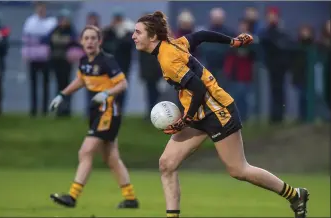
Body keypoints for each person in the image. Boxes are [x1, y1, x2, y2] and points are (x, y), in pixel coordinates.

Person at [132, 11, 309, 218]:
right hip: (199, 113)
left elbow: (198, 89)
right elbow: (201, 35)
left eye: (137, 32)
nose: (133, 36)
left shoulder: (168, 59)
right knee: (167, 164)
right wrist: (233, 41)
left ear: (152, 37)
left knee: (239, 170)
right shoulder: (173, 45)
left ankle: (295, 195)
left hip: (218, 112)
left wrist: (185, 121)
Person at [49, 25, 139, 209]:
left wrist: (106, 94)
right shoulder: (83, 62)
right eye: (86, 38)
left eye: (93, 38)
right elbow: (81, 80)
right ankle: (130, 198)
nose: (89, 41)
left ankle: (72, 196)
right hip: (96, 112)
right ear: (81, 42)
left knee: (86, 151)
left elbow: (122, 84)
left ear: (100, 41)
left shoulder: (107, 61)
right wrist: (62, 95)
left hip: (108, 112)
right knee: (111, 157)